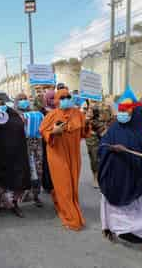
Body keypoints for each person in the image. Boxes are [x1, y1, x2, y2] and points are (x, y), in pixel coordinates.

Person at [99, 100, 142, 261]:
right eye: (121, 111)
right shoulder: (114, 128)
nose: (123, 115)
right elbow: (102, 146)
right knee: (111, 208)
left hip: (139, 181)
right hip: (116, 178)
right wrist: (112, 148)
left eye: (127, 112)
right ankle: (109, 229)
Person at [40, 89, 90, 231]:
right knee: (64, 185)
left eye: (68, 97)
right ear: (56, 100)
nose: (66, 99)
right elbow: (43, 132)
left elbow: (84, 134)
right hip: (57, 156)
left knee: (72, 185)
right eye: (62, 97)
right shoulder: (51, 115)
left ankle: (61, 202)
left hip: (74, 156)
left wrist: (87, 123)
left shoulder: (78, 114)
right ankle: (72, 218)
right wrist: (53, 132)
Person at [0, 98, 31, 218]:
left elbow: (21, 130)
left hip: (15, 155)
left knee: (17, 181)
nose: (0, 107)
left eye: (2, 104)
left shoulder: (14, 116)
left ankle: (14, 204)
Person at [15, 93, 44, 207]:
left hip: (36, 145)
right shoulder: (13, 114)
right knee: (24, 170)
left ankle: (36, 195)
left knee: (38, 170)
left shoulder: (36, 114)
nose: (23, 101)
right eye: (20, 99)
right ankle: (22, 195)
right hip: (22, 146)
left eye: (25, 98)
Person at [85, 100, 113, 188]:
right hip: (92, 134)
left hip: (105, 132)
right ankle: (95, 177)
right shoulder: (86, 104)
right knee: (94, 157)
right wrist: (88, 115)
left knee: (107, 155)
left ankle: (105, 176)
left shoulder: (107, 104)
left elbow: (112, 118)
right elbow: (84, 121)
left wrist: (107, 128)